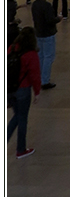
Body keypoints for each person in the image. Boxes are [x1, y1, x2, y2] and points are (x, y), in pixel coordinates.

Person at [7, 26, 41, 158]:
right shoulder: (31, 54)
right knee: (22, 119)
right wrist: (37, 92)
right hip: (23, 89)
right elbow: (35, 75)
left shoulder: (11, 48)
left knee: (16, 116)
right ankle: (21, 150)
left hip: (10, 88)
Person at [31, 0, 62, 89]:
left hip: (38, 33)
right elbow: (50, 20)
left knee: (40, 56)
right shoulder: (47, 6)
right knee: (48, 57)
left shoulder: (35, 4)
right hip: (48, 34)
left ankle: (38, 78)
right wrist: (58, 18)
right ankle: (45, 80)